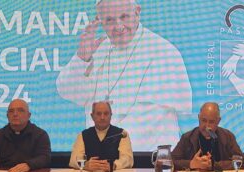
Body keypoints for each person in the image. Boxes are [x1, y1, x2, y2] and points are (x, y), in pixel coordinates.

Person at [56, 0, 192, 151]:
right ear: (100, 21)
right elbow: (67, 92)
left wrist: (101, 146)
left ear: (137, 12)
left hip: (149, 159)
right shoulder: (98, 49)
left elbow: (147, 119)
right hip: (102, 157)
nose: (119, 27)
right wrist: (82, 58)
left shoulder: (163, 52)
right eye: (109, 20)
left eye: (124, 17)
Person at [0, 99, 51, 172]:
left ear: (29, 115)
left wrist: (29, 165)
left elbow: (45, 158)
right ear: (7, 116)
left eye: (20, 110)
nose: (15, 114)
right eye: (11, 111)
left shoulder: (40, 134)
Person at [172, 102, 244, 171]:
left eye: (211, 122)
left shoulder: (227, 136)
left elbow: (241, 162)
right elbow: (171, 161)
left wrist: (213, 165)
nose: (207, 126)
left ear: (218, 121)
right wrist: (191, 164)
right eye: (203, 120)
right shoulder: (187, 137)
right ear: (198, 118)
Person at [69, 101, 133, 171]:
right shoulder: (83, 135)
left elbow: (128, 159)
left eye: (106, 114)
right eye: (99, 114)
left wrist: (114, 165)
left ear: (111, 115)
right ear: (92, 116)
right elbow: (73, 160)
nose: (102, 117)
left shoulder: (121, 134)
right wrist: (85, 165)